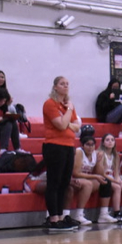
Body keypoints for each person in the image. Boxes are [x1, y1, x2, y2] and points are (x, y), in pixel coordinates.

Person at [42, 76, 80, 233]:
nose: (65, 86)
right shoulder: (50, 104)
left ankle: (61, 216)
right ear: (55, 87)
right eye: (62, 84)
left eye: (67, 84)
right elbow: (61, 124)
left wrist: (69, 119)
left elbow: (77, 126)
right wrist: (69, 111)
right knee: (54, 182)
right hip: (54, 146)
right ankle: (53, 218)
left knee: (64, 183)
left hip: (68, 146)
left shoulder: (67, 105)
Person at [71, 126, 108, 225]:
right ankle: (78, 214)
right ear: (83, 145)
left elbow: (99, 173)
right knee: (89, 184)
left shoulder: (95, 154)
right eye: (88, 145)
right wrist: (95, 177)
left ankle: (104, 213)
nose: (90, 147)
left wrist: (99, 161)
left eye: (92, 145)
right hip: (74, 179)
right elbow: (76, 173)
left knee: (104, 182)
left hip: (85, 179)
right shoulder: (79, 152)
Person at [95, 132, 122, 223]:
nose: (110, 142)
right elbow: (101, 173)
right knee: (117, 187)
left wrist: (119, 180)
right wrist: (116, 182)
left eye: (112, 140)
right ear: (103, 142)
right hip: (103, 178)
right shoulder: (100, 153)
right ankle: (117, 212)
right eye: (107, 140)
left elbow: (116, 173)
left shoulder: (115, 155)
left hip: (112, 178)